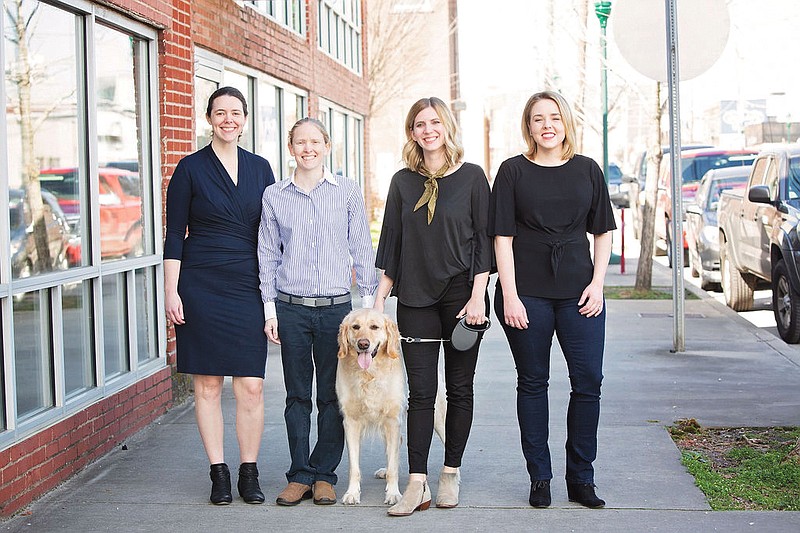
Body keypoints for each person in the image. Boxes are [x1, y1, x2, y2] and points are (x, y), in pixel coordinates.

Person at [489, 90, 616, 509]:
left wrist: (598, 284)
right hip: (526, 295)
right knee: (533, 382)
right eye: (538, 118)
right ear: (528, 126)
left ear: (566, 124)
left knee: (588, 382)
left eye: (554, 118)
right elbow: (501, 237)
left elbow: (602, 231)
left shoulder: (587, 169)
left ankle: (581, 479)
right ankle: (540, 478)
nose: (547, 125)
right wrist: (509, 295)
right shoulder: (512, 171)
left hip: (581, 293)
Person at [374, 96, 492, 516]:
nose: (428, 130)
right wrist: (377, 305)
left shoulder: (474, 178)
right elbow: (391, 244)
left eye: (434, 122)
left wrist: (479, 297)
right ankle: (417, 483)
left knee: (459, 389)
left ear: (447, 127)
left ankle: (450, 473)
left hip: (463, 298)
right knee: (421, 394)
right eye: (419, 124)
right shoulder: (402, 182)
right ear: (412, 133)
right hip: (416, 299)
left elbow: (484, 242)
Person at [257, 117, 378, 507]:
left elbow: (362, 248)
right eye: (299, 142)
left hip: (336, 312)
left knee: (331, 395)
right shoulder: (275, 196)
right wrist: (269, 308)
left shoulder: (346, 192)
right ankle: (300, 475)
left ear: (327, 145)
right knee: (297, 396)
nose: (307, 148)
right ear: (290, 148)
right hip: (291, 309)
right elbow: (267, 255)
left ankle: (325, 475)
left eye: (315, 141)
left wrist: (365, 309)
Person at [164, 86, 274, 505]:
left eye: (236, 113)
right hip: (200, 283)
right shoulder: (189, 168)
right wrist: (171, 291)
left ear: (245, 120)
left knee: (251, 386)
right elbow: (174, 234)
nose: (229, 119)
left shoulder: (261, 168)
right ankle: (219, 473)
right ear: (209, 118)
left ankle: (249, 470)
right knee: (207, 384)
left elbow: (275, 232)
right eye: (220, 112)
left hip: (248, 282)